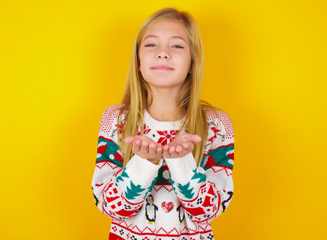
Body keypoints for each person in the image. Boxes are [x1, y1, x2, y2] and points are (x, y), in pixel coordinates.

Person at [91, 7, 235, 240]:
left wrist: (182, 163)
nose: (163, 53)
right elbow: (112, 207)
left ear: (192, 62)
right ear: (138, 61)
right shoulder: (116, 120)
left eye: (177, 46)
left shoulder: (217, 124)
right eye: (151, 45)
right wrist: (144, 164)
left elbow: (209, 210)